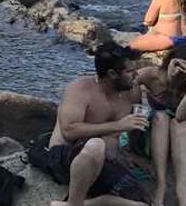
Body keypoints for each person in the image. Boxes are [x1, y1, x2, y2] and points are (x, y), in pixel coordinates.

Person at [30, 42, 150, 206]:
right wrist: (118, 125)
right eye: (130, 71)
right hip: (65, 155)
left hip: (103, 163)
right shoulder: (81, 88)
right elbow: (69, 131)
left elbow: (116, 138)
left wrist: (131, 156)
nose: (136, 75)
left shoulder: (131, 94)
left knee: (141, 202)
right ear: (112, 74)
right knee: (95, 145)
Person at [129, 46, 186, 206]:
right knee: (160, 116)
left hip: (185, 134)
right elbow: (127, 84)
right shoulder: (152, 75)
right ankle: (160, 186)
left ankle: (181, 193)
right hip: (157, 134)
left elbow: (182, 116)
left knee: (177, 123)